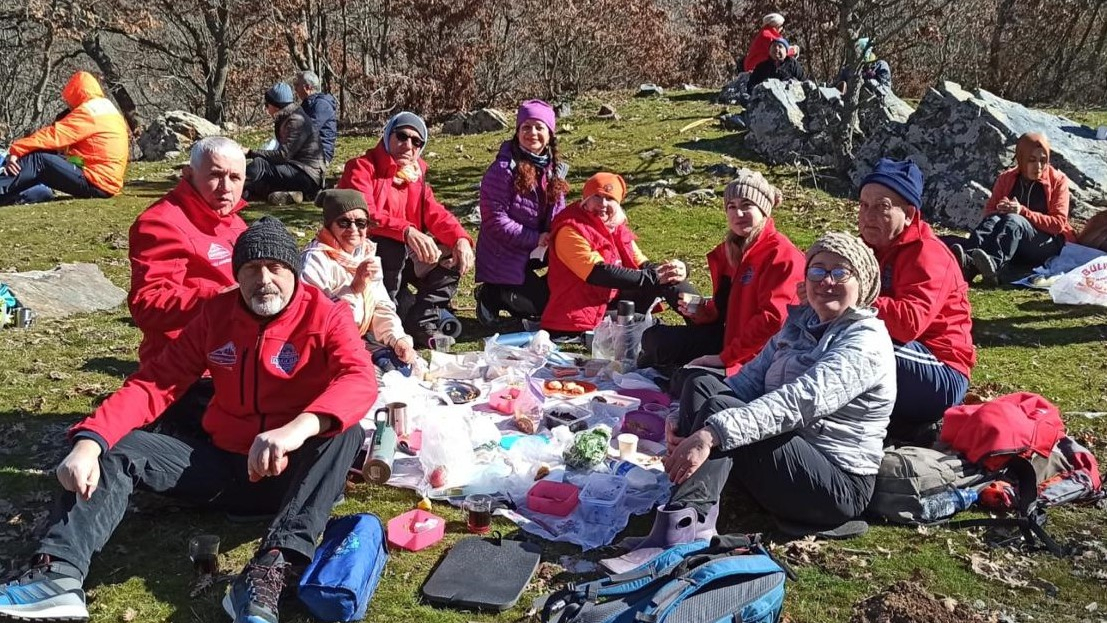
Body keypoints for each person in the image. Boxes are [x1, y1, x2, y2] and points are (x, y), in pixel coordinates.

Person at [0, 217, 376, 623]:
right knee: (119, 446)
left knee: (346, 431)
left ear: (294, 272)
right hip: (222, 467)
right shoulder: (216, 316)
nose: (264, 279)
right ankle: (57, 574)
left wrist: (295, 429)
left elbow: (359, 378)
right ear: (237, 274)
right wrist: (90, 440)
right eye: (251, 269)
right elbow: (155, 383)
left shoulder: (326, 315)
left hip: (291, 475)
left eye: (276, 267)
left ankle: (272, 566)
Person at [602, 232, 894, 573]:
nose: (826, 281)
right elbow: (747, 380)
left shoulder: (865, 342)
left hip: (834, 484)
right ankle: (688, 509)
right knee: (701, 383)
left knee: (722, 416)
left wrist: (710, 434)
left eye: (840, 273)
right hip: (788, 456)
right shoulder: (801, 323)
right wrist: (681, 415)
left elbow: (795, 403)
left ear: (864, 284)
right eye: (817, 271)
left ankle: (685, 527)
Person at [639, 170, 804, 375]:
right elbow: (728, 309)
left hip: (756, 356)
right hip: (727, 339)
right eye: (731, 207)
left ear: (764, 210)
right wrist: (704, 312)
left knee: (689, 381)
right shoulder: (731, 250)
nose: (738, 214)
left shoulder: (781, 255)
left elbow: (773, 320)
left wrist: (724, 358)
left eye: (746, 205)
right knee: (655, 338)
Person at [859, 158, 975, 445]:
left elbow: (907, 324)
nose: (868, 215)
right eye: (863, 205)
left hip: (941, 372)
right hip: (908, 363)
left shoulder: (927, 253)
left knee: (852, 344)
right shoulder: (869, 247)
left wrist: (853, 298)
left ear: (909, 214)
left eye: (882, 206)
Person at [337, 111, 474, 345]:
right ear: (388, 135)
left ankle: (424, 318)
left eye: (416, 141)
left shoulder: (415, 177)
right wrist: (408, 231)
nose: (408, 145)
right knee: (393, 245)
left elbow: (436, 213)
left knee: (453, 253)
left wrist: (461, 238)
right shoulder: (361, 168)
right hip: (365, 257)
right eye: (401, 136)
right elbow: (364, 215)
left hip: (404, 257)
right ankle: (381, 322)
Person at [128, 136, 248, 367]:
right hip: (187, 367)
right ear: (188, 174)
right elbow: (149, 303)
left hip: (236, 355)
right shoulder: (161, 223)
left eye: (235, 178)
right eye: (215, 175)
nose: (226, 187)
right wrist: (223, 298)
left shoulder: (234, 221)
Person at [540, 172, 695, 335]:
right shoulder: (570, 229)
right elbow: (598, 273)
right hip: (581, 313)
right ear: (585, 200)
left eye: (610, 198)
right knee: (653, 328)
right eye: (597, 196)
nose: (603, 204)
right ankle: (691, 339)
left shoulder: (615, 225)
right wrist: (653, 277)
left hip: (613, 300)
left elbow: (642, 263)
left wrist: (679, 269)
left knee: (671, 278)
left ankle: (705, 323)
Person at [474, 99, 569, 327]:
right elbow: (495, 220)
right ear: (517, 132)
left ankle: (525, 289)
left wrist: (561, 235)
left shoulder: (554, 168)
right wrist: (535, 238)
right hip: (503, 253)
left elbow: (559, 212)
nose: (532, 133)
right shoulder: (502, 170)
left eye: (539, 127)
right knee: (540, 307)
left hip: (536, 249)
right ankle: (491, 294)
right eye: (526, 127)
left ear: (550, 134)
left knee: (561, 297)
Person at [300, 189, 417, 366]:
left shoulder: (366, 252)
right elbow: (317, 320)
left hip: (360, 339)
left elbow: (380, 304)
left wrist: (397, 338)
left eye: (361, 223)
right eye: (344, 222)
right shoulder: (315, 259)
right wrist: (354, 289)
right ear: (329, 225)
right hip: (322, 347)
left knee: (402, 368)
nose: (354, 229)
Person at [949, 133, 1075, 286]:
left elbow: (1058, 224)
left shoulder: (1058, 181)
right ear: (1021, 159)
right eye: (1032, 160)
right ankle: (968, 263)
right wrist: (1000, 210)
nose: (1039, 167)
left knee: (1013, 220)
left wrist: (1022, 211)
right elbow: (989, 212)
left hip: (1047, 243)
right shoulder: (1007, 178)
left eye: (1043, 161)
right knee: (992, 220)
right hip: (1012, 241)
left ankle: (994, 268)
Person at [0, 71, 128, 206]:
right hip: (104, 180)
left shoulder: (90, 112)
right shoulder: (107, 109)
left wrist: (17, 150)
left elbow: (54, 135)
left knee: (38, 160)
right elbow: (92, 155)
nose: (69, 105)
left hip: (97, 181)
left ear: (76, 94)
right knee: (46, 160)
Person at [244, 82, 326, 203]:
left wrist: (251, 153)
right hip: (297, 171)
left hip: (307, 175)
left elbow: (283, 155)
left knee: (260, 164)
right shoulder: (289, 117)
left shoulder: (296, 121)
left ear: (276, 106)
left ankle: (236, 184)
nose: (266, 108)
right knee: (259, 181)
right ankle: (290, 195)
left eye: (267, 104)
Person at [294, 70, 338, 166]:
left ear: (307, 88)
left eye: (297, 85)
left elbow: (308, 130)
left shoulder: (321, 105)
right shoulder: (306, 105)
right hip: (307, 152)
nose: (295, 89)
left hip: (319, 155)